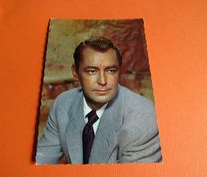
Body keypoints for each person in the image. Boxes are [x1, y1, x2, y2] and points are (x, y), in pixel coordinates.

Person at [36, 36, 162, 164]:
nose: (103, 81)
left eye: (111, 71)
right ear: (75, 72)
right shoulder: (63, 103)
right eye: (92, 71)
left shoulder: (144, 116)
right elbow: (42, 158)